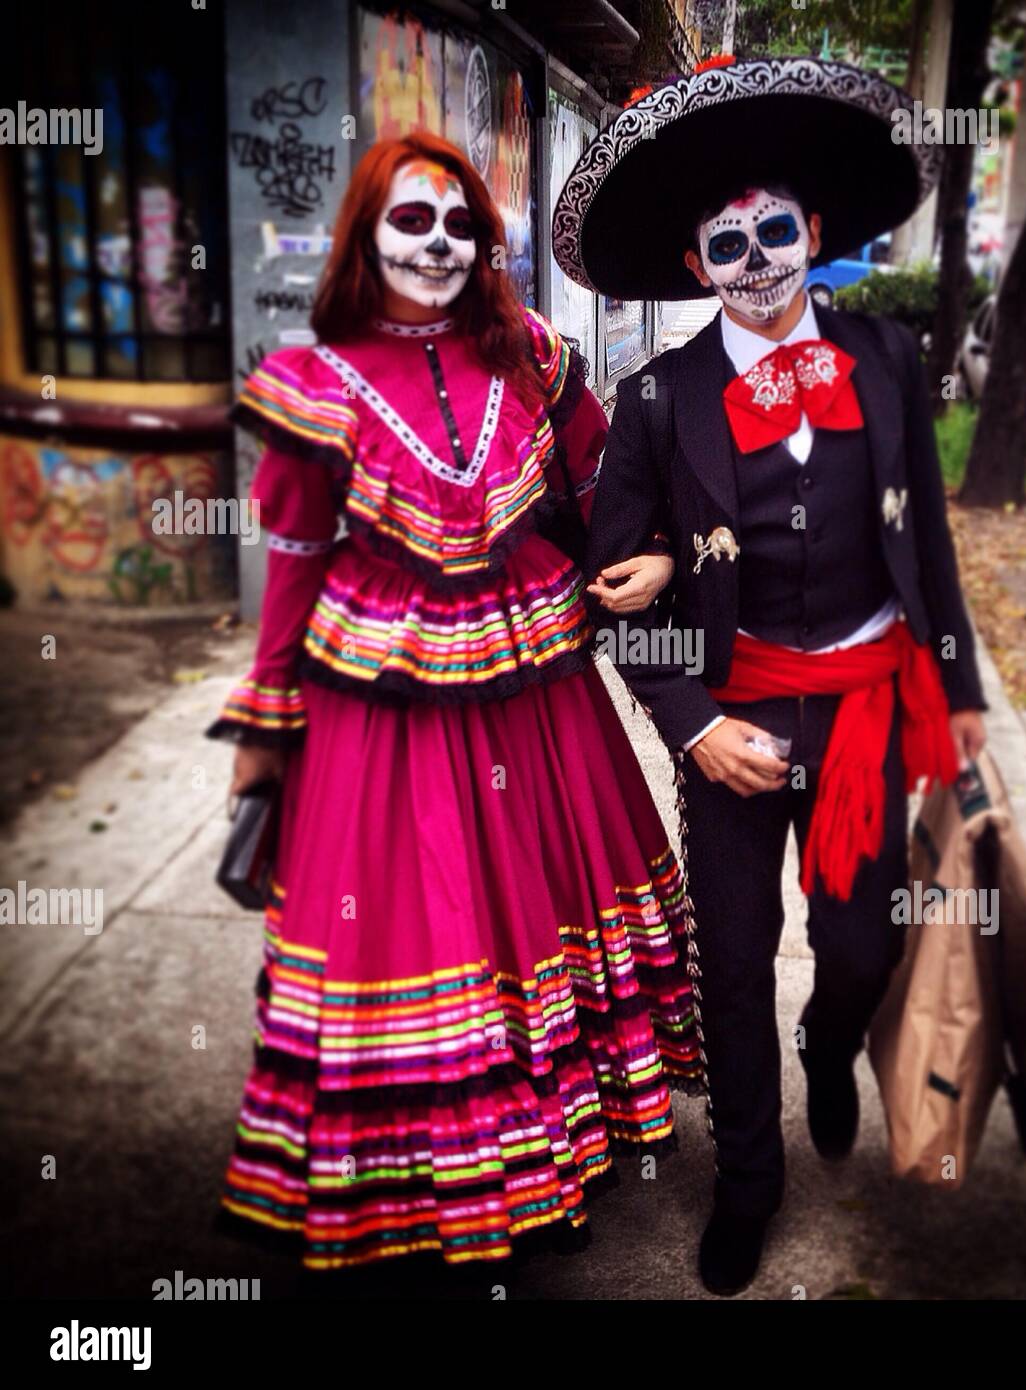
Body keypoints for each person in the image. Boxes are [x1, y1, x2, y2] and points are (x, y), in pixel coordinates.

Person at [207, 132, 699, 1272]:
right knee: (416, 923)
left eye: (458, 223)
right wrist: (265, 727)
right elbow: (290, 559)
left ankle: (556, 1142)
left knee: (538, 903)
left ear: (486, 240)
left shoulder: (531, 353)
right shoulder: (312, 386)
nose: (438, 243)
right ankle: (437, 1176)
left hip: (538, 691)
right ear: (364, 238)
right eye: (410, 221)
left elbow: (601, 475)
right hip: (381, 704)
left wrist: (660, 551)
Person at [554, 55, 988, 1295]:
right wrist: (689, 724)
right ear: (698, 265)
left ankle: (831, 1038)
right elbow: (614, 593)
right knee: (732, 960)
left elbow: (929, 550)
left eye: (777, 230)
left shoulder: (889, 360)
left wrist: (958, 709)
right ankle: (750, 1175)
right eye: (727, 241)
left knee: (859, 951)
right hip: (734, 719)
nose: (757, 258)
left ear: (815, 233)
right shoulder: (651, 401)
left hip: (864, 710)